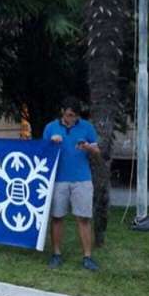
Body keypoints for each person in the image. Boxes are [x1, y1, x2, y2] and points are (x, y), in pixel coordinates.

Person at [42, 96, 101, 271]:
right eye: (69, 115)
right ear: (62, 112)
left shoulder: (86, 127)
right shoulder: (50, 128)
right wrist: (51, 143)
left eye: (74, 116)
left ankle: (87, 257)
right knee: (57, 217)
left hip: (82, 179)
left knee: (83, 218)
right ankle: (56, 254)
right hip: (58, 179)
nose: (71, 119)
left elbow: (97, 152)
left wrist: (88, 147)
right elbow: (41, 153)